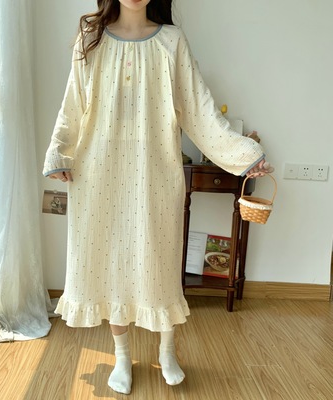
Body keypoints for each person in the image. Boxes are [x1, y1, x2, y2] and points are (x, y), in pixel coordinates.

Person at [43, 0, 273, 395]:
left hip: (155, 172)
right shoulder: (91, 39)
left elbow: (199, 112)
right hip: (99, 173)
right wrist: (59, 153)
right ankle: (121, 356)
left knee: (159, 262)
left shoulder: (172, 41)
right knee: (110, 265)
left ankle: (167, 350)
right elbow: (73, 105)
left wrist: (245, 156)